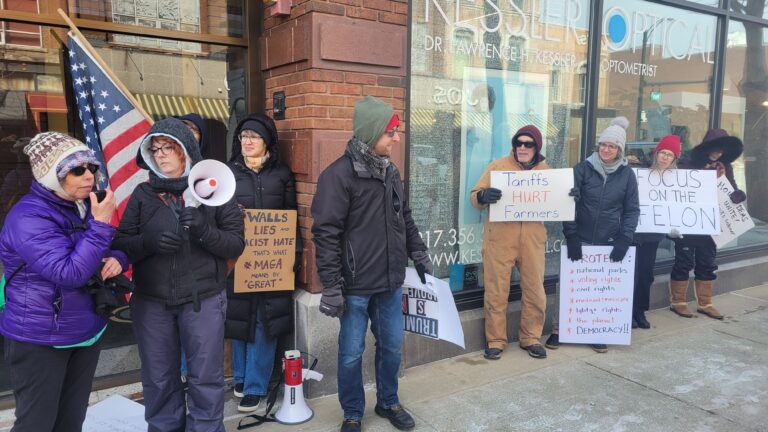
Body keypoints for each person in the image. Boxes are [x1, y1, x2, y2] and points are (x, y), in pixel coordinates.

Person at [113, 118, 245, 432]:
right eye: (155, 150)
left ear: (185, 150)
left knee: (205, 377)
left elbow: (235, 244)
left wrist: (202, 230)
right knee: (158, 377)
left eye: (168, 148)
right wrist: (148, 243)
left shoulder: (214, 190)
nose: (161, 156)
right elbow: (121, 243)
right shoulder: (143, 195)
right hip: (152, 302)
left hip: (203, 300)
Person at [311, 96, 432, 432]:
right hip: (354, 288)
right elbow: (326, 234)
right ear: (372, 132)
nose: (396, 138)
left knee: (392, 347)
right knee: (351, 354)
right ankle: (352, 411)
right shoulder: (338, 176)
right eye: (391, 132)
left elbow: (403, 217)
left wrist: (418, 253)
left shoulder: (390, 172)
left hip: (390, 283)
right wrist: (332, 287)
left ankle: (388, 401)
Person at [0, 132, 127, 431]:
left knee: (71, 421)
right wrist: (99, 225)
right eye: (76, 170)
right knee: (37, 423)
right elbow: (69, 272)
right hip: (40, 337)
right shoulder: (27, 217)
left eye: (91, 168)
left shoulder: (83, 205)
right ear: (50, 176)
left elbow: (114, 244)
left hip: (86, 330)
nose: (89, 176)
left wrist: (119, 257)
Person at [224, 113, 302, 412]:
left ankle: (256, 386)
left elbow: (291, 216)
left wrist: (292, 256)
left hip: (272, 260)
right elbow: (216, 213)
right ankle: (242, 378)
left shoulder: (281, 174)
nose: (247, 141)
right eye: (243, 136)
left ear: (266, 141)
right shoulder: (229, 172)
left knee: (264, 323)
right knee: (240, 318)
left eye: (253, 136)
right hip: (238, 257)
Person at [547, 117, 640, 353]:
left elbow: (632, 210)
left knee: (600, 290)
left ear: (620, 150)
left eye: (612, 146)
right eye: (603, 145)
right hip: (581, 238)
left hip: (609, 242)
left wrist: (624, 239)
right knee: (567, 286)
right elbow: (568, 206)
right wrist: (572, 236)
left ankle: (597, 330)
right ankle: (559, 330)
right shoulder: (582, 169)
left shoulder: (627, 176)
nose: (606, 150)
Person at [470, 125, 550, 360]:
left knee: (535, 290)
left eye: (528, 144)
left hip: (533, 240)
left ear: (537, 147)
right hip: (500, 238)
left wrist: (569, 195)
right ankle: (495, 340)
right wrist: (483, 196)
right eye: (519, 143)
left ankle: (531, 337)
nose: (522, 147)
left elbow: (557, 200)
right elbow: (475, 195)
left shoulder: (547, 172)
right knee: (496, 291)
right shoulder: (498, 166)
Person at [669, 129, 746, 320]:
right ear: (706, 147)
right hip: (689, 220)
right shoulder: (688, 162)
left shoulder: (724, 167)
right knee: (684, 261)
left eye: (721, 151)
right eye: (715, 149)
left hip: (711, 222)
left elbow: (731, 189)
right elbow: (678, 187)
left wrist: (737, 196)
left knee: (707, 262)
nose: (717, 153)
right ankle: (678, 301)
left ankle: (705, 303)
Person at [630, 135, 682, 329]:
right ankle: (627, 312)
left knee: (645, 275)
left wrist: (673, 228)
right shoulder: (638, 172)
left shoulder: (676, 180)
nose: (665, 157)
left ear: (674, 159)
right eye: (663, 152)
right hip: (633, 232)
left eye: (670, 154)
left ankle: (640, 311)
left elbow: (676, 207)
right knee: (631, 274)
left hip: (652, 234)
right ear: (656, 153)